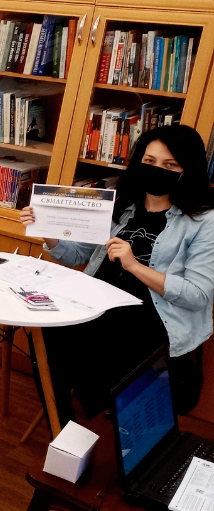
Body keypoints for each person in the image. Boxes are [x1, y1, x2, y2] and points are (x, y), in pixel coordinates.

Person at [21, 124, 214, 423]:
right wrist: (47, 231)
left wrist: (135, 266)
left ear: (187, 171)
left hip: (153, 316)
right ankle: (63, 427)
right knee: (45, 331)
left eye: (169, 165)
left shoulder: (204, 221)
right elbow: (77, 255)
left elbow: (197, 295)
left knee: (84, 342)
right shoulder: (123, 204)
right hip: (99, 302)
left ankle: (105, 412)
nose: (156, 170)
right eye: (149, 161)